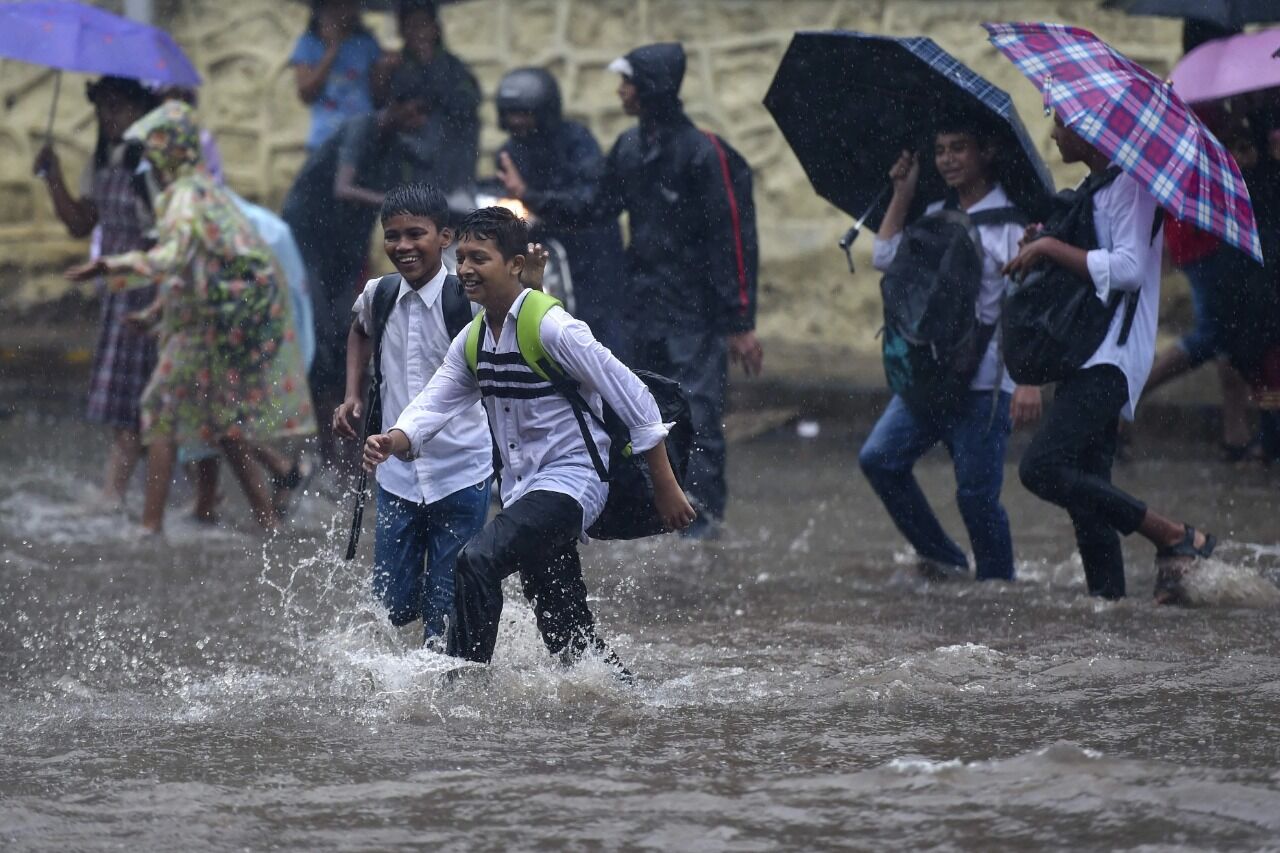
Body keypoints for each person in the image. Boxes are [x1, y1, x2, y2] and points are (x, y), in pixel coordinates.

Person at [362, 207, 695, 672]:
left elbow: (636, 398)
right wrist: (393, 440)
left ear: (515, 265)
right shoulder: (475, 339)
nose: (465, 271)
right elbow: (432, 403)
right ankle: (630, 699)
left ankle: (462, 690)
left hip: (572, 483)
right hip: (523, 492)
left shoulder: (555, 328)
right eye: (461, 259)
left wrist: (666, 487)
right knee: (567, 638)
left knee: (476, 560)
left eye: (479, 259)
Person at [497, 42, 763, 539]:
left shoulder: (706, 153)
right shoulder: (629, 148)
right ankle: (654, 512)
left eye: (628, 82)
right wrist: (530, 198)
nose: (620, 91)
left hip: (695, 312)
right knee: (639, 406)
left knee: (700, 414)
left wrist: (741, 322)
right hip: (643, 304)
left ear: (651, 89)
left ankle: (701, 522)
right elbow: (595, 205)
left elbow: (735, 240)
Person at [65, 102, 316, 537]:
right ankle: (267, 520)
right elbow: (199, 265)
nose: (149, 162)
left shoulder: (183, 196)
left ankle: (149, 526)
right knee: (223, 421)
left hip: (205, 326)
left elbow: (174, 257)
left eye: (153, 151)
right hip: (219, 318)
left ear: (168, 152)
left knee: (159, 409)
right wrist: (155, 314)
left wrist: (110, 266)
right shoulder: (205, 189)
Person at [1006, 114, 1217, 603]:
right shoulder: (1095, 184)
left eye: (1061, 123)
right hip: (1083, 350)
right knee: (1087, 497)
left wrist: (1050, 247)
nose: (1054, 134)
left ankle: (1171, 534)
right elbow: (1089, 249)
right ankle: (1109, 608)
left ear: (1091, 131)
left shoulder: (1133, 185)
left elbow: (1126, 269)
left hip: (1112, 355)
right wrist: (1041, 241)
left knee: (1041, 467)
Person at [860, 124, 1043, 583]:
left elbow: (1028, 308)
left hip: (985, 384)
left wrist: (1027, 379)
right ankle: (945, 560)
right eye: (939, 150)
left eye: (959, 148)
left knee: (976, 498)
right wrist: (902, 192)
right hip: (928, 377)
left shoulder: (1013, 225)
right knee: (879, 459)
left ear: (987, 152)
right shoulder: (935, 213)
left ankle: (998, 589)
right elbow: (885, 257)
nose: (947, 159)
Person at [332, 184, 493, 646]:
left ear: (445, 237)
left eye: (415, 234)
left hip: (462, 470)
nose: (403, 246)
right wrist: (351, 393)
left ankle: (444, 695)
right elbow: (359, 331)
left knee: (441, 619)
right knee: (392, 606)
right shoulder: (378, 294)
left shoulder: (469, 299)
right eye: (392, 235)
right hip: (396, 473)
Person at [281, 76, 432, 467]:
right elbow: (343, 189)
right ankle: (325, 451)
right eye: (415, 110)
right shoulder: (361, 130)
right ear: (397, 105)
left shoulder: (398, 149)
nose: (420, 119)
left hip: (347, 250)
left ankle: (350, 452)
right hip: (309, 247)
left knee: (351, 335)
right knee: (321, 345)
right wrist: (396, 203)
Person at [33, 76, 160, 513]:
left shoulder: (149, 166)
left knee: (134, 400)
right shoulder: (104, 162)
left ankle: (113, 494)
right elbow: (80, 222)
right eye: (104, 108)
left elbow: (163, 238)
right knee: (140, 396)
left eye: (119, 107)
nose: (110, 117)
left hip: (147, 292)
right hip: (117, 293)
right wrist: (53, 176)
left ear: (140, 111)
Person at [494, 67, 627, 352]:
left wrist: (529, 195)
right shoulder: (510, 151)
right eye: (510, 113)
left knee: (600, 335)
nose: (516, 121)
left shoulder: (577, 142)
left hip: (592, 256)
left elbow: (587, 201)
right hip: (543, 254)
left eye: (524, 113)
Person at [373, 0, 480, 199]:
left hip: (453, 168)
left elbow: (466, 105)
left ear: (435, 28)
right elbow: (381, 111)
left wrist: (431, 70)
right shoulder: (395, 67)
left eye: (422, 25)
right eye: (410, 27)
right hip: (410, 169)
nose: (417, 33)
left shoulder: (454, 68)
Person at [289, 0, 383, 151]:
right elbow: (305, 93)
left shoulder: (366, 43)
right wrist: (332, 50)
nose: (343, 10)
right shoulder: (308, 43)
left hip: (362, 138)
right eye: (335, 5)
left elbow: (378, 96)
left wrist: (385, 68)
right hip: (324, 139)